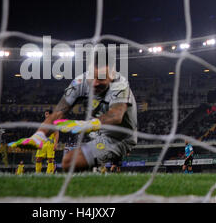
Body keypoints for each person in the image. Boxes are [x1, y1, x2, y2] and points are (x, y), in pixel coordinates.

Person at [9, 54, 138, 172]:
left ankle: (107, 164)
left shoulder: (120, 84)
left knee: (72, 163)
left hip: (121, 137)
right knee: (68, 162)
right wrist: (38, 136)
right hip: (98, 132)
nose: (94, 83)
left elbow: (116, 115)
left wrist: (87, 125)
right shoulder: (79, 83)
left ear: (112, 74)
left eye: (101, 79)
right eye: (92, 77)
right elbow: (58, 113)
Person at [35, 109, 59, 174]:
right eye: (45, 114)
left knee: (50, 159)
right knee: (38, 158)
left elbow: (56, 134)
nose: (46, 115)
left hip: (50, 143)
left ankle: (49, 173)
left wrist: (55, 143)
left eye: (47, 114)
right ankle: (37, 173)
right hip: (42, 143)